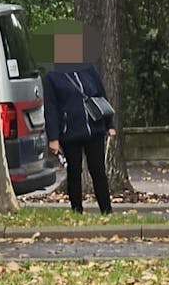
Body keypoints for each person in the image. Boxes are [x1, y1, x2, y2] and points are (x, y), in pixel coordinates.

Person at [43, 40, 118, 215]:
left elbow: (101, 97)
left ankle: (106, 210)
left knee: (98, 171)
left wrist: (109, 124)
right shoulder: (52, 77)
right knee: (74, 172)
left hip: (94, 129)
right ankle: (77, 210)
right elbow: (51, 108)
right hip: (70, 133)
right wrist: (53, 138)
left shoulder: (89, 70)